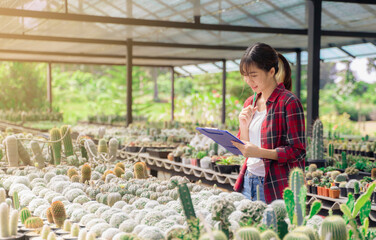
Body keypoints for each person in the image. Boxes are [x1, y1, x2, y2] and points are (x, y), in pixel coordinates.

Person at [231, 42, 306, 204]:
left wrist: (260, 152)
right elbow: (245, 147)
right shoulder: (249, 102)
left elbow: (298, 151)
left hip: (275, 186)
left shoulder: (289, 102)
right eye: (245, 75)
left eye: (253, 75)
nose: (248, 81)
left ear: (271, 71)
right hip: (248, 180)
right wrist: (243, 125)